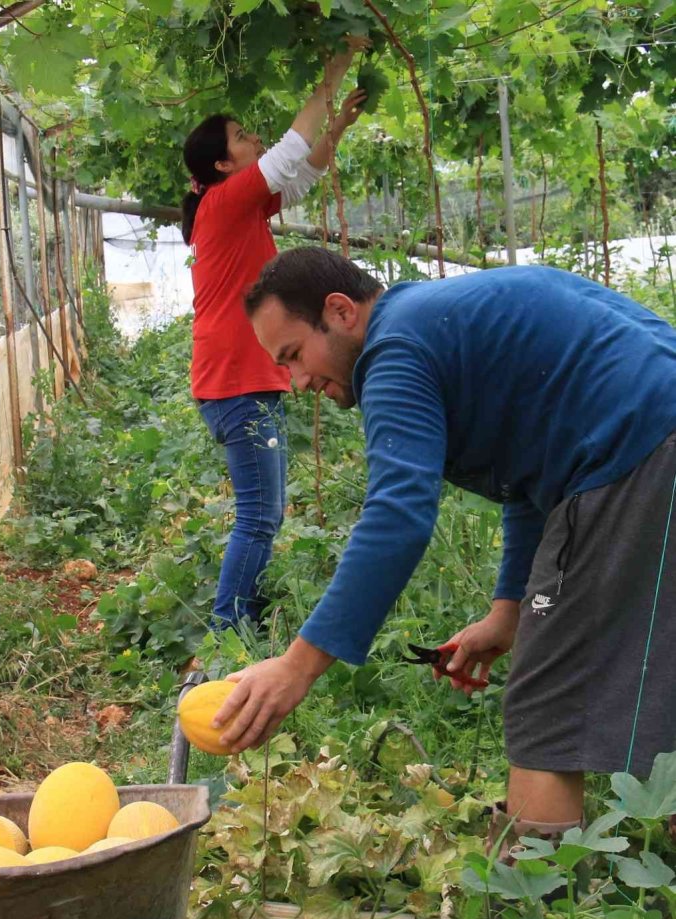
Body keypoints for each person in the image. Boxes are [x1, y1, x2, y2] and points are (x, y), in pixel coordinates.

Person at [211, 245, 676, 849]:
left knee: (545, 703)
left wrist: (297, 667)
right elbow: (529, 476)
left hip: (639, 444)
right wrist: (507, 614)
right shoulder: (433, 322)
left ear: (341, 310)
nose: (296, 382)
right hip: (651, 430)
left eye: (295, 354)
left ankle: (540, 909)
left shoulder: (393, 349)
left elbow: (398, 514)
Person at [182, 46, 368, 629]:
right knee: (259, 516)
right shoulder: (222, 201)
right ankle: (229, 633)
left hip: (240, 383)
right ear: (221, 165)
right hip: (235, 384)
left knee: (265, 513)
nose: (253, 139)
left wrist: (336, 126)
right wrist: (331, 73)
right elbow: (289, 153)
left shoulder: (240, 211)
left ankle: (242, 624)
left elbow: (303, 174)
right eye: (241, 137)